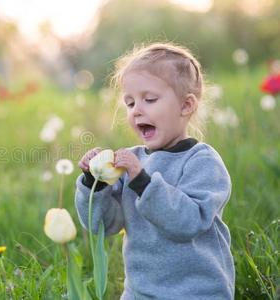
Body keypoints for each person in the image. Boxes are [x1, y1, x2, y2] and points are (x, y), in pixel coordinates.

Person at [75, 42, 235, 299]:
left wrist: (143, 182)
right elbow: (104, 224)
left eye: (149, 99)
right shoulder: (133, 161)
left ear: (186, 106)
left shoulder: (202, 163)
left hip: (196, 291)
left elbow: (188, 222)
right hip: (140, 292)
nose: (137, 110)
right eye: (129, 103)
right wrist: (95, 182)